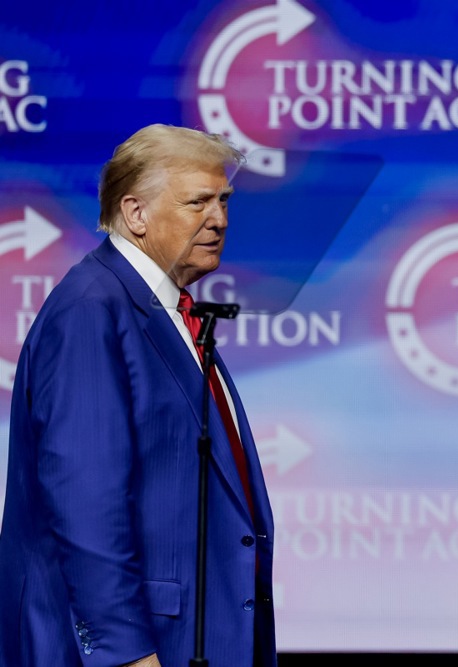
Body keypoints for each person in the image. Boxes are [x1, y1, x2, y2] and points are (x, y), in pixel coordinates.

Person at [0, 125, 275, 666]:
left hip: (196, 635)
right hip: (140, 650)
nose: (218, 219)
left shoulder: (161, 309)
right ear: (136, 214)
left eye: (222, 201)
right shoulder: (91, 309)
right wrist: (123, 652)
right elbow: (84, 498)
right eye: (197, 202)